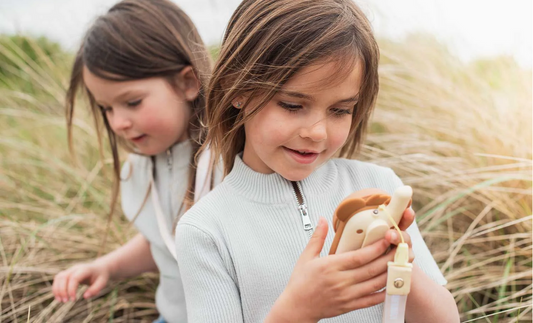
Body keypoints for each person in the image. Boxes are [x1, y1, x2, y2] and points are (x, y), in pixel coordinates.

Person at [175, 0, 460, 322]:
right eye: (292, 105)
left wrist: (399, 264)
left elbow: (444, 319)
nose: (317, 132)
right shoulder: (205, 230)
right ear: (236, 88)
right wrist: (297, 311)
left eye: (340, 110)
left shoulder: (380, 186)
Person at [52, 1, 218, 322]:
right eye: (106, 108)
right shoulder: (139, 167)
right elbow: (165, 244)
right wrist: (106, 267)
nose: (117, 123)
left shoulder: (234, 158)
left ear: (188, 82)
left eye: (132, 102)